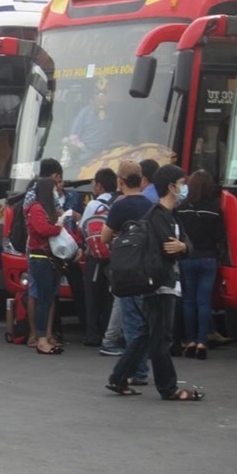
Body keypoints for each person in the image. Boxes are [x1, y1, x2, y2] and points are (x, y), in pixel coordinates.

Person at [107, 164, 204, 401]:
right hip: (161, 283)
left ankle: (118, 378)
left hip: (162, 282)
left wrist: (184, 247)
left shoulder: (171, 215)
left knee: (145, 334)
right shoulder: (158, 216)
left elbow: (186, 245)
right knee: (161, 338)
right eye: (182, 183)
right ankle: (168, 388)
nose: (184, 188)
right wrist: (182, 248)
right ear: (171, 187)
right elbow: (169, 248)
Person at [101, 160, 154, 382]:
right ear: (141, 179)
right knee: (145, 321)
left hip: (126, 270)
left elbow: (104, 237)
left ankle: (138, 371)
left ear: (120, 182)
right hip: (149, 269)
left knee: (132, 322)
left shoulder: (120, 206)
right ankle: (142, 367)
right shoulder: (151, 204)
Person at [176, 169, 224, 360]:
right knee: (204, 301)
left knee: (188, 301)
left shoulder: (182, 208)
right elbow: (220, 236)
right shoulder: (215, 207)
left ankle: (190, 341)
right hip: (208, 258)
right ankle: (203, 342)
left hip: (187, 257)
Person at [25, 177, 65, 355]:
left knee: (48, 299)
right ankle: (41, 339)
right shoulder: (36, 208)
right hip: (40, 258)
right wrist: (59, 228)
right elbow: (42, 229)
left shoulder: (46, 209)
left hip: (49, 258)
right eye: (53, 190)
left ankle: (44, 337)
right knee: (43, 300)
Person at [80, 167, 118, 347]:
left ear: (99, 186)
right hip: (115, 255)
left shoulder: (94, 205)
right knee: (109, 296)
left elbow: (83, 228)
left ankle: (92, 334)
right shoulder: (119, 201)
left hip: (95, 255)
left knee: (92, 296)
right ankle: (107, 331)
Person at [62, 79, 112, 161]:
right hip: (86, 155)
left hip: (106, 154)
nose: (100, 104)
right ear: (91, 101)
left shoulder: (110, 113)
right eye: (98, 101)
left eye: (103, 101)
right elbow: (74, 136)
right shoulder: (84, 113)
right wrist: (81, 146)